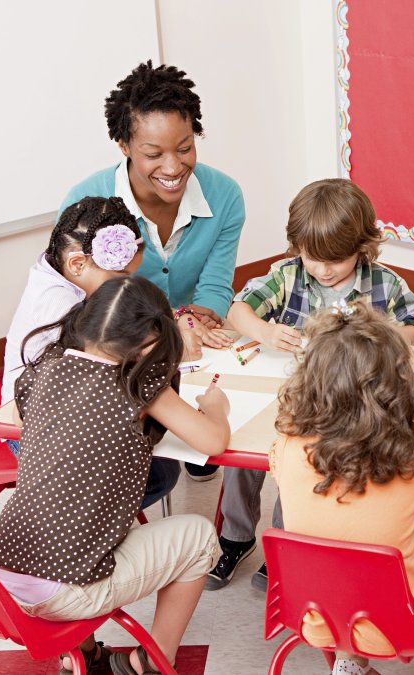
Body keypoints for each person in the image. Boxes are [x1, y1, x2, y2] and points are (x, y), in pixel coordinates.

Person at [0, 275, 232, 675]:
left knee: (70, 516)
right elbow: (212, 442)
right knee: (199, 537)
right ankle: (152, 662)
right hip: (65, 590)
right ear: (147, 345)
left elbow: (5, 418)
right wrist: (215, 408)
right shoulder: (140, 384)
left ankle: (82, 654)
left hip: (6, 575)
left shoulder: (46, 367)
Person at [206, 178, 414, 592]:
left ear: (362, 247)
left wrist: (379, 340)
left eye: (337, 260)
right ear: (297, 247)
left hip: (347, 405)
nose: (324, 269)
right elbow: (238, 311)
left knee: (302, 462)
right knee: (241, 453)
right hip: (289, 396)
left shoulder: (385, 284)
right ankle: (236, 537)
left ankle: (285, 544)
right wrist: (266, 332)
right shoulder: (287, 275)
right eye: (313, 258)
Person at [271, 301, 414, 675]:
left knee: (343, 558)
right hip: (403, 624)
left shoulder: (287, 446)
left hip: (316, 617)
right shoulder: (411, 456)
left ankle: (350, 663)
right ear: (395, 384)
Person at [61, 60, 244, 481]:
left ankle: (191, 435)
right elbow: (86, 307)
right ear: (124, 145)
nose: (173, 167)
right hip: (118, 350)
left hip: (193, 338)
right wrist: (165, 335)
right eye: (152, 153)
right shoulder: (86, 202)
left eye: (184, 148)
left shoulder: (225, 195)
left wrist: (190, 320)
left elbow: (216, 284)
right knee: (152, 468)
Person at [0, 196, 184, 510]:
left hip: (59, 411)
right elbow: (93, 381)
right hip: (31, 430)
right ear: (77, 264)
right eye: (118, 280)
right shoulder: (58, 306)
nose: (122, 292)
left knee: (159, 457)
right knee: (159, 474)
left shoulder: (64, 272)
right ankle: (94, 521)